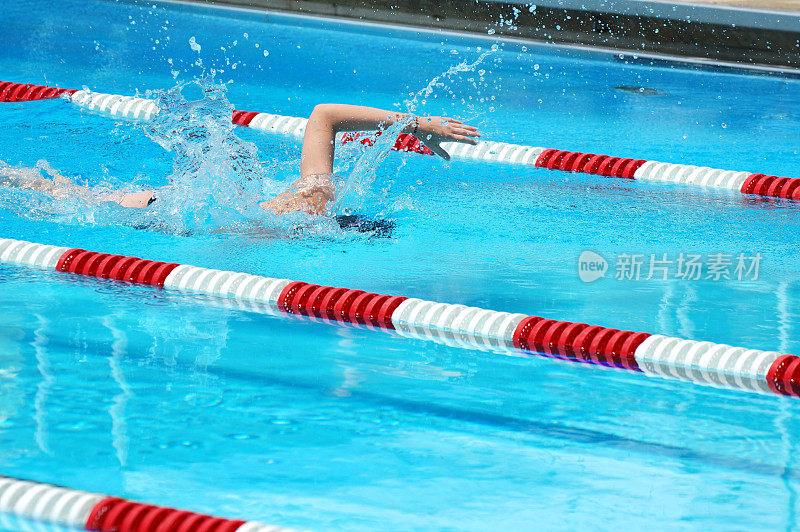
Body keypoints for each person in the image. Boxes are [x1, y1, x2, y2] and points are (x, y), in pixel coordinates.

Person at [0, 104, 480, 215]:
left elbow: (324, 116)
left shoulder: (310, 194)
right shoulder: (315, 201)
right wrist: (416, 125)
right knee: (65, 195)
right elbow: (324, 116)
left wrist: (419, 124)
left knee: (61, 191)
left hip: (168, 206)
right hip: (167, 216)